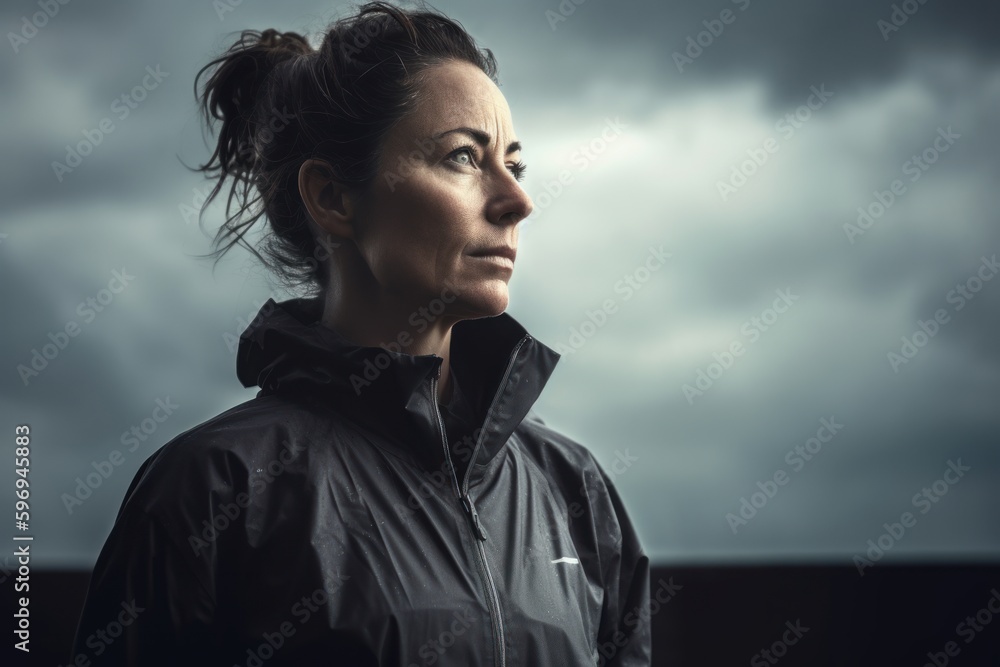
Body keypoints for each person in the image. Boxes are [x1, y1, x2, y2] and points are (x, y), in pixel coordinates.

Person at [71, 2, 651, 665]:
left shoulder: (572, 485)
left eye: (513, 165)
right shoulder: (213, 489)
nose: (517, 200)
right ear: (334, 198)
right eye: (464, 156)